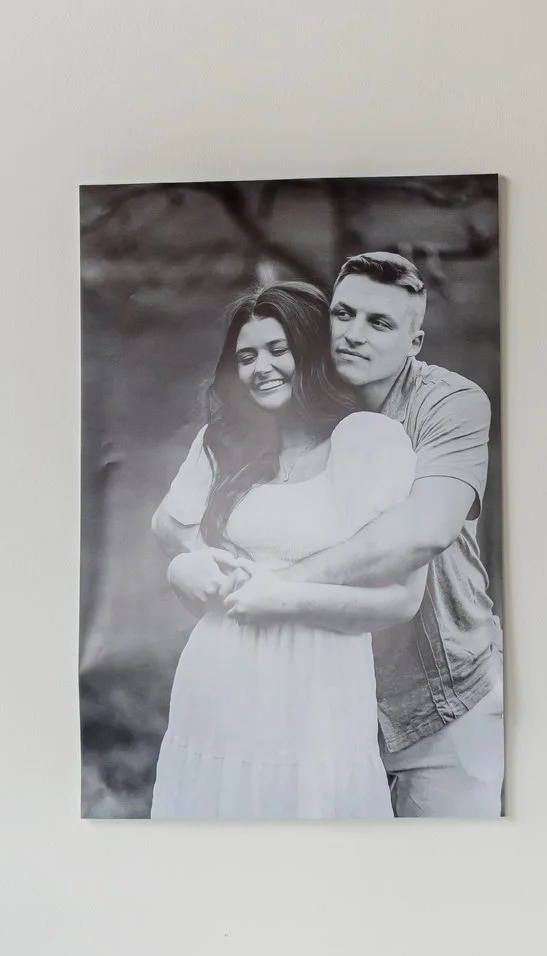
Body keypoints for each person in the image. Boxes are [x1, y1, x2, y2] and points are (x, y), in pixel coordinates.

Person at [227, 253, 507, 818]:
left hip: (443, 694)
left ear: (415, 341)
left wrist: (280, 584)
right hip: (326, 696)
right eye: (342, 314)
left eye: (378, 323)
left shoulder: (449, 403)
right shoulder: (299, 400)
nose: (352, 335)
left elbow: (422, 532)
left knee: (447, 882)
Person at [149, 282, 424, 817]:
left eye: (279, 349)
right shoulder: (224, 442)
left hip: (318, 688)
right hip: (219, 676)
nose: (261, 368)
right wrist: (184, 563)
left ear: (312, 350)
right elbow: (169, 526)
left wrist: (285, 599)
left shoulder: (365, 439)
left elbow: (401, 601)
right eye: (246, 356)